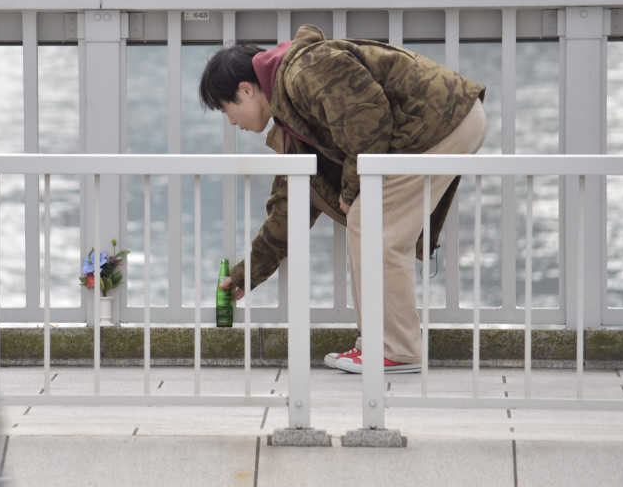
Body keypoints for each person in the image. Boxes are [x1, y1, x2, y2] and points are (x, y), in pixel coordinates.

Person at [198, 25, 487, 374]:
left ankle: (397, 350)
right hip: (435, 124)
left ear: (246, 89)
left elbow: (368, 118)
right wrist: (246, 275)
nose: (230, 122)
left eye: (226, 109)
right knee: (369, 221)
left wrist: (350, 191)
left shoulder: (303, 70)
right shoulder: (290, 117)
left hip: (441, 120)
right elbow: (290, 207)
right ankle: (380, 347)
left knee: (374, 226)